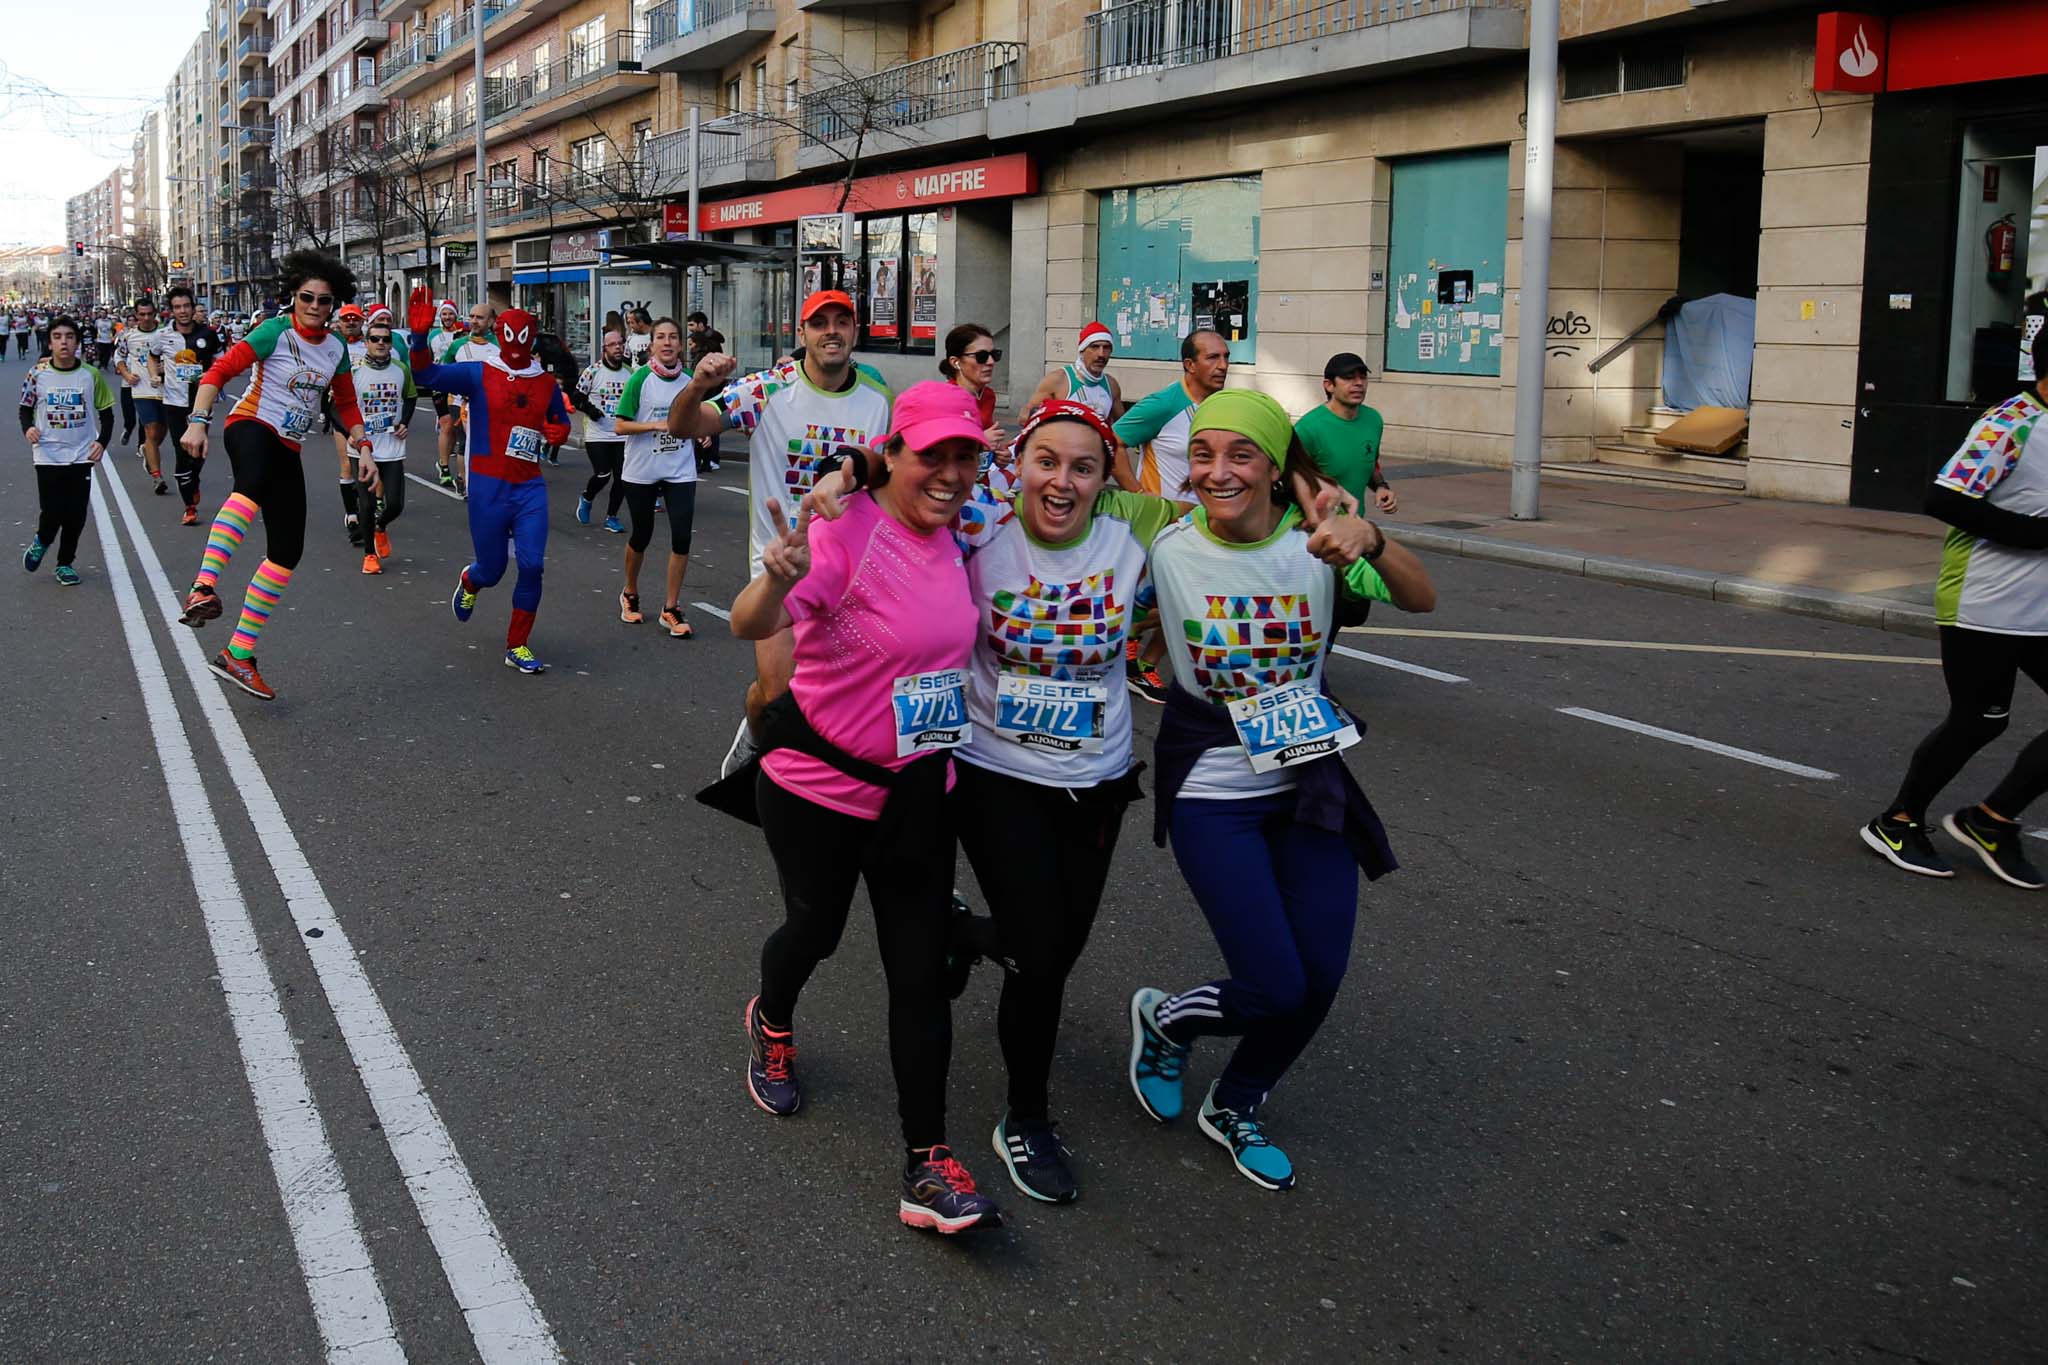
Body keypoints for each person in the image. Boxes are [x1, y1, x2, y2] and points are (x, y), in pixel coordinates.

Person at [1126, 389, 1436, 1192]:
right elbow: (1049, 499)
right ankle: (1165, 1019)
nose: (1218, 471)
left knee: (1320, 976)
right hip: (1211, 790)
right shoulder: (1164, 542)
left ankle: (1236, 1100)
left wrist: (1370, 534)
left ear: (1271, 467)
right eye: (1203, 453)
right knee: (1273, 982)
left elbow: (1419, 595)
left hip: (1307, 782)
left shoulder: (1318, 545)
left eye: (1240, 455)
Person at [726, 380, 1002, 1235]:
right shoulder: (841, 536)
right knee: (815, 932)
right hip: (819, 790)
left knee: (918, 977)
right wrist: (776, 580)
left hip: (921, 792)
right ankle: (772, 1016)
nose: (953, 473)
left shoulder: (967, 526)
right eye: (934, 456)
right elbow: (746, 622)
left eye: (967, 456)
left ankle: (928, 1162)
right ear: (895, 454)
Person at [666, 289, 892, 777]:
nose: (831, 331)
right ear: (803, 334)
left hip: (850, 569)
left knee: (843, 688)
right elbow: (684, 426)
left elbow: (890, 475)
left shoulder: (878, 401)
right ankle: (756, 731)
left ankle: (816, 778)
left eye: (841, 322)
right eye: (820, 323)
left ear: (854, 332)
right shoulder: (767, 389)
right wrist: (697, 386)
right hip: (780, 564)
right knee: (778, 693)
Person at [1862, 329, 2048, 888]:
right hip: (1984, 601)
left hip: (2043, 606)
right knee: (1980, 721)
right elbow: (1943, 499)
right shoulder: (2010, 424)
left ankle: (1991, 821)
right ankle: (1896, 821)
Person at [175, 250, 376, 702]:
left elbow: (344, 404)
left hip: (288, 444)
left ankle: (238, 655)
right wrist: (198, 419)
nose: (315, 307)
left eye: (325, 301)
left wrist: (364, 446)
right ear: (293, 296)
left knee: (287, 551)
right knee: (251, 485)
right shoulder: (275, 332)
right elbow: (220, 371)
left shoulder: (337, 348)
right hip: (250, 424)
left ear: (335, 304)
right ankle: (203, 587)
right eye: (307, 297)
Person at [406, 287, 570, 674]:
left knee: (531, 566)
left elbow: (559, 422)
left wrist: (558, 431)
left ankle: (518, 645)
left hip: (529, 486)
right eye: (511, 333)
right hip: (487, 485)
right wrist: (417, 338)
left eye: (523, 334)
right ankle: (470, 580)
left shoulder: (544, 382)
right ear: (501, 334)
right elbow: (425, 374)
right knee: (492, 569)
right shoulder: (480, 373)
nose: (516, 341)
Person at [609, 318, 701, 636]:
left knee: (682, 536)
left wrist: (700, 432)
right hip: (642, 469)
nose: (667, 343)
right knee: (642, 534)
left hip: (679, 468)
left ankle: (671, 608)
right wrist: (656, 425)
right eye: (660, 337)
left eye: (673, 337)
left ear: (680, 344)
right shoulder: (640, 380)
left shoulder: (690, 380)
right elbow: (620, 425)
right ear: (652, 345)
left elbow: (697, 417)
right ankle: (630, 593)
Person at [19, 315, 114, 587]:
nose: (64, 342)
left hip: (80, 454)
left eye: (69, 337)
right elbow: (25, 408)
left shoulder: (90, 375)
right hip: (47, 453)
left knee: (76, 513)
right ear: (49, 343)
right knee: (52, 510)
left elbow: (106, 413)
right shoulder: (37, 374)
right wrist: (28, 429)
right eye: (58, 337)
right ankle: (42, 540)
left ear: (77, 343)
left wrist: (102, 442)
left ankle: (65, 563)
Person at [148, 285, 225, 526]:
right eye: (177, 307)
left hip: (201, 403)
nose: (182, 311)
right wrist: (154, 374)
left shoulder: (208, 335)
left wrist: (212, 377)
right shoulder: (162, 336)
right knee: (182, 451)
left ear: (193, 308)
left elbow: (222, 361)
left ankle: (194, 479)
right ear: (170, 311)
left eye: (186, 306)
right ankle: (189, 506)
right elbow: (152, 356)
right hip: (174, 401)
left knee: (198, 452)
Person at [351, 318, 417, 573]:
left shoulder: (401, 368)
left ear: (391, 343)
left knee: (395, 505)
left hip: (391, 446)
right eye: (375, 339)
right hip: (362, 447)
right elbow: (334, 405)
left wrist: (405, 422)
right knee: (366, 503)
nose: (380, 343)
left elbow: (410, 398)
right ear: (366, 343)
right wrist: (350, 432)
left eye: (385, 339)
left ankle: (380, 526)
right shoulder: (355, 371)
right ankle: (369, 555)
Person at [1295, 353, 1396, 515]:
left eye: (1362, 377)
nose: (1358, 383)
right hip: (1316, 529)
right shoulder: (1308, 429)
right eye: (1349, 378)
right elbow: (1291, 479)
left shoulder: (1373, 419)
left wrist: (1381, 487)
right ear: (1329, 385)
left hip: (1355, 525)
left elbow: (1368, 463)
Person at [938, 323, 1013, 495]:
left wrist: (999, 455)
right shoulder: (944, 398)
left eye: (994, 355)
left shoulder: (988, 396)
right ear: (956, 362)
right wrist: (981, 441)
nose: (991, 362)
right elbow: (938, 452)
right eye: (981, 356)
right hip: (949, 488)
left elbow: (983, 445)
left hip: (979, 484)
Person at [573, 326, 633, 532]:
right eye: (612, 345)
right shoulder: (593, 371)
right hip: (597, 433)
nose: (617, 347)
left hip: (621, 434)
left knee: (622, 477)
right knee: (602, 474)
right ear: (604, 349)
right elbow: (577, 398)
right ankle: (587, 497)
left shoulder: (630, 373)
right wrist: (592, 411)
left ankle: (612, 516)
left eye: (620, 343)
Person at [437, 302, 497, 492]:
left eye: (479, 318)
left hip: (490, 403)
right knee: (465, 442)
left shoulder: (499, 345)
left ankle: (486, 479)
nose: (474, 321)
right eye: (471, 317)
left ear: (491, 321)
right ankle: (463, 481)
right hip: (459, 403)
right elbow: (444, 374)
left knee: (489, 444)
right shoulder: (457, 345)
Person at [1020, 321, 1124, 425]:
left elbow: (1122, 427)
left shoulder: (1111, 385)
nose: (1101, 354)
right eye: (1094, 347)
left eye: (1106, 348)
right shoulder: (1058, 379)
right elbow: (1023, 417)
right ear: (1082, 351)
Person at [115, 298, 167, 492]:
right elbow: (119, 357)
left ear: (155, 314)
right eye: (141, 314)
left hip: (167, 390)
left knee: (161, 432)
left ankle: (147, 449)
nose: (146, 318)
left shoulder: (166, 334)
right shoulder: (128, 336)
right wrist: (127, 375)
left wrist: (167, 367)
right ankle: (157, 477)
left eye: (149, 314)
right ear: (136, 315)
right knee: (151, 430)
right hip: (142, 389)